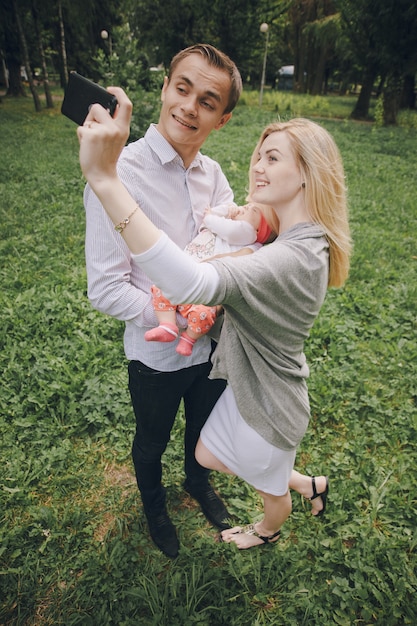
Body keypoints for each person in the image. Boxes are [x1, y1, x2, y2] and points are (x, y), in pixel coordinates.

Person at [78, 87, 351, 550]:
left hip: (255, 388)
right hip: (184, 361)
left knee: (215, 456)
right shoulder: (295, 239)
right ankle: (169, 502)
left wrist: (106, 180)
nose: (256, 167)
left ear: (308, 175)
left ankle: (263, 524)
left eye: (272, 159)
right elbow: (114, 285)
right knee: (176, 444)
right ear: (164, 90)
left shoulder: (291, 257)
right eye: (258, 156)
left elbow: (191, 282)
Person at [83, 44, 244, 558]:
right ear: (164, 88)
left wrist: (216, 300)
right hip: (156, 354)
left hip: (213, 345)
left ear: (222, 119)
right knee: (152, 440)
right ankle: (154, 504)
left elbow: (225, 256)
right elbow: (106, 286)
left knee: (202, 429)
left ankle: (198, 483)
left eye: (208, 100)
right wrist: (168, 316)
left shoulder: (215, 176)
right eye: (183, 88)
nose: (190, 107)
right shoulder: (119, 173)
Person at [145, 202, 274, 355]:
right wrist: (224, 211)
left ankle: (189, 338)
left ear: (259, 231)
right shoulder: (223, 228)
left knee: (204, 313)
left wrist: (212, 215)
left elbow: (218, 223)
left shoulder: (249, 240)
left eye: (252, 210)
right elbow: (214, 219)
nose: (244, 207)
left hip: (203, 292)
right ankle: (167, 325)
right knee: (161, 287)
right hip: (183, 277)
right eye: (247, 205)